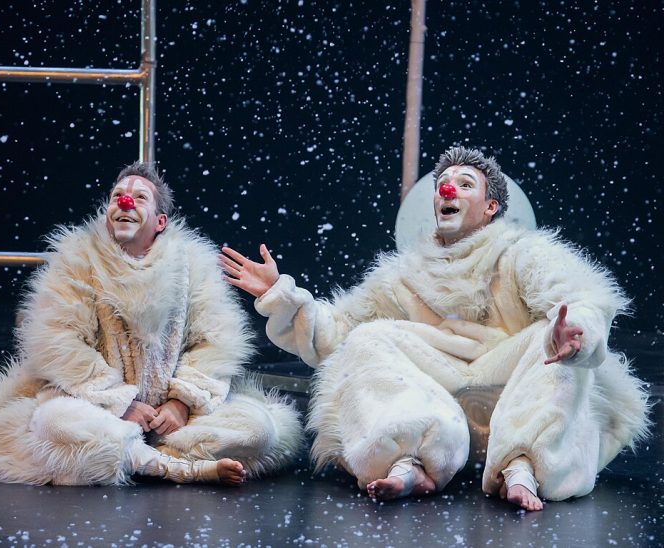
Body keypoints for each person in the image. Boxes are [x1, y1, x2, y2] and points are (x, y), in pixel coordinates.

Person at [219, 146, 649, 511]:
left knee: (548, 337)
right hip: (440, 389)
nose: (448, 190)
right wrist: (281, 295)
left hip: (509, 382)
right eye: (444, 183)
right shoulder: (402, 275)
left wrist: (573, 331)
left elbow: (579, 298)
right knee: (369, 337)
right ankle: (411, 460)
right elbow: (337, 331)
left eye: (465, 184)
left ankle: (523, 466)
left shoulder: (523, 253)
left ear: (491, 207)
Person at [0, 162, 303, 486]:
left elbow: (216, 343)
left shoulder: (193, 266)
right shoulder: (76, 260)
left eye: (140, 197)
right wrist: (118, 402)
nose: (125, 201)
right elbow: (58, 340)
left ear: (160, 222)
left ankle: (137, 454)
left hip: (172, 421)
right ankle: (174, 467)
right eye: (118, 196)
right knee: (55, 424)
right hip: (96, 410)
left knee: (258, 430)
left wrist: (182, 402)